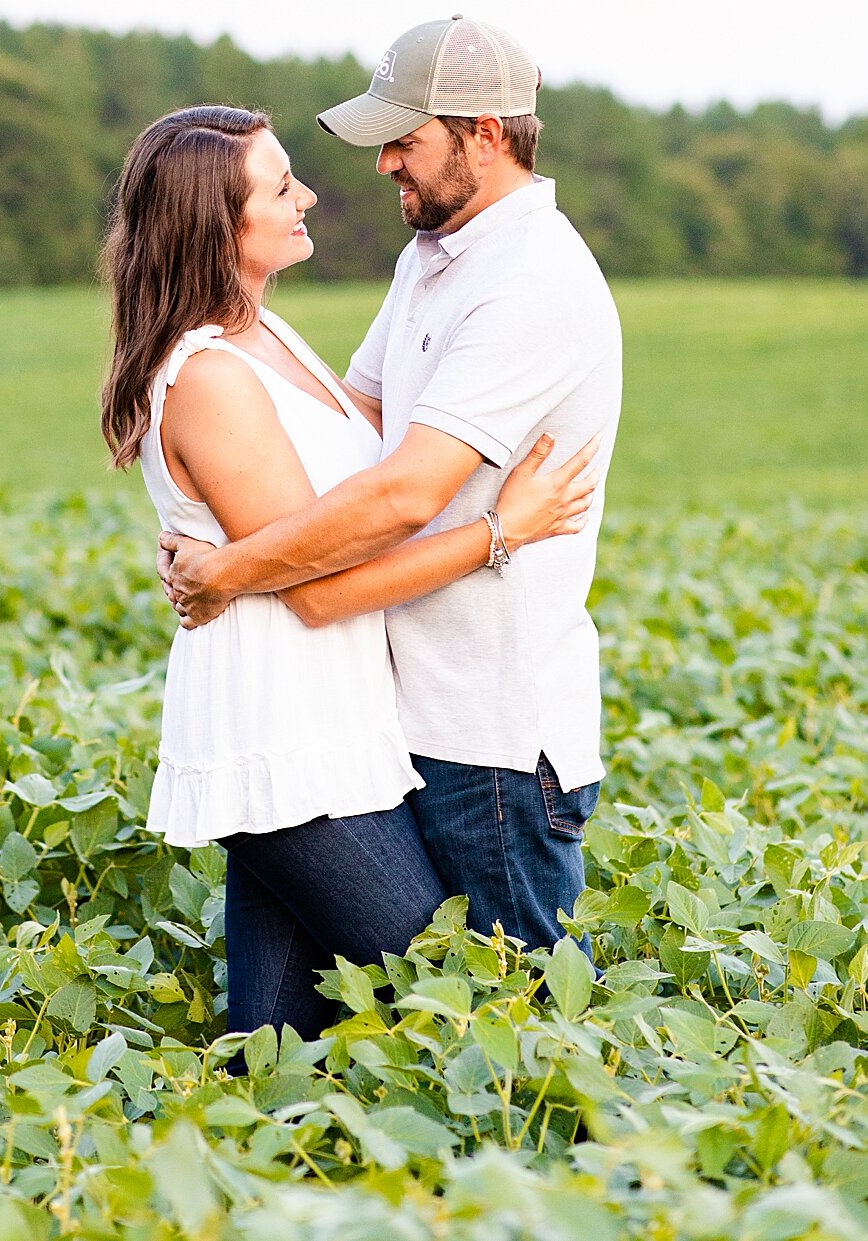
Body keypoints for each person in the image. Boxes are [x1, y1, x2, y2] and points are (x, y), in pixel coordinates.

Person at [101, 102, 598, 1040]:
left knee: (279, 1044)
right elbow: (321, 590)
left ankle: (253, 1180)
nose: (311, 195)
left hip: (329, 736)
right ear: (219, 223)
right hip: (286, 739)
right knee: (452, 1000)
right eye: (281, 185)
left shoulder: (267, 336)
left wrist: (226, 564)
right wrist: (501, 530)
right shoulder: (209, 375)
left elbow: (367, 471)